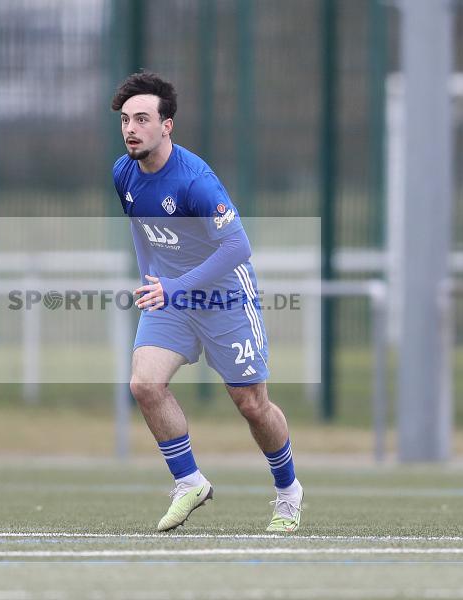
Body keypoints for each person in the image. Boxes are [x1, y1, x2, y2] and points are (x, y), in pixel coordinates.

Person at [111, 72, 303, 533]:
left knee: (251, 404)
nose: (131, 129)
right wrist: (151, 281)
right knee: (144, 384)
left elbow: (238, 248)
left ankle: (288, 492)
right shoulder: (124, 173)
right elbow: (142, 229)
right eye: (124, 120)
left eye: (142, 118)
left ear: (167, 125)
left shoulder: (196, 182)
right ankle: (189, 481)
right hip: (172, 298)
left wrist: (174, 287)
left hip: (227, 299)